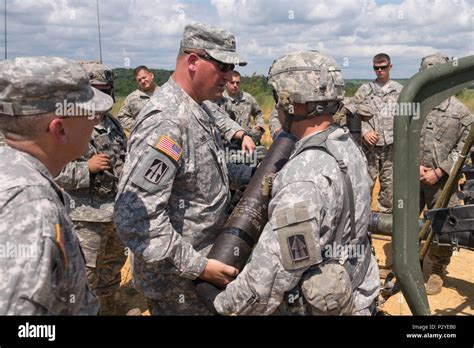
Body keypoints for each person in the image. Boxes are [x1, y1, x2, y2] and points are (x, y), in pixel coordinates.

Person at [212, 50, 380, 316]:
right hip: (357, 291)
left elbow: (271, 275)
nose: (277, 107)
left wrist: (222, 303)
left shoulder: (303, 177)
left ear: (294, 104)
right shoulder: (346, 143)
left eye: (278, 98)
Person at [114, 23, 254, 315]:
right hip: (178, 284)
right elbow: (135, 218)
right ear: (193, 62)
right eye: (223, 66)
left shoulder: (198, 107)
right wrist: (200, 267)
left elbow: (201, 171)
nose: (229, 77)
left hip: (202, 270)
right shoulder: (166, 122)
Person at [0, 56, 113, 314]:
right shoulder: (31, 209)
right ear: (60, 130)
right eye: (90, 114)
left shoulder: (13, 171)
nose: (96, 122)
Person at [54, 61, 128, 314]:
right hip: (84, 217)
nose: (102, 96)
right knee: (85, 276)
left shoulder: (114, 125)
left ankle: (108, 310)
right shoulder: (68, 124)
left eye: (106, 90)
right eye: (95, 89)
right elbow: (53, 171)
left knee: (112, 269)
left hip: (115, 214)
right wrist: (87, 168)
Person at [418, 53, 474, 295]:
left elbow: (467, 146)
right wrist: (414, 166)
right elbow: (399, 138)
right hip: (411, 176)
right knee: (405, 221)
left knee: (443, 226)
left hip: (443, 182)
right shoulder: (412, 107)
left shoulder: (461, 113)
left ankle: (436, 271)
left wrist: (440, 170)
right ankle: (408, 262)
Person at [343, 53, 403, 213]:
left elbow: (408, 118)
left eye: (383, 67)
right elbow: (349, 114)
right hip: (369, 150)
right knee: (364, 188)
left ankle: (387, 229)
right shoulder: (365, 90)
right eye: (376, 68)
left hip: (391, 149)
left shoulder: (400, 91)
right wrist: (364, 132)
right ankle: (364, 230)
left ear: (390, 67)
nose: (380, 71)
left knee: (389, 191)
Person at [214, 70, 265, 143]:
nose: (235, 85)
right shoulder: (219, 99)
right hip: (225, 142)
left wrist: (258, 126)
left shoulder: (248, 98)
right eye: (232, 82)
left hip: (247, 140)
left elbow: (258, 113)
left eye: (237, 83)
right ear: (226, 83)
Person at [117, 66, 159, 134]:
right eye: (139, 80)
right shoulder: (132, 98)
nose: (142, 81)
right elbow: (121, 117)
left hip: (164, 138)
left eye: (144, 77)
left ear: (151, 75)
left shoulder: (165, 93)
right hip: (142, 140)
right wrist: (138, 126)